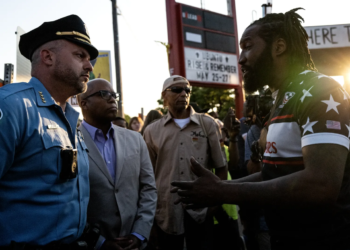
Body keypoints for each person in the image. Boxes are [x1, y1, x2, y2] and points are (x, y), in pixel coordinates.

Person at [171, 8, 350, 250]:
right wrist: (220, 187)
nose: (241, 58)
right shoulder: (282, 97)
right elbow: (273, 173)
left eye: (248, 46)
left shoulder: (322, 90)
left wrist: (226, 194)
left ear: (279, 47)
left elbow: (321, 184)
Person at [0, 15, 98, 248]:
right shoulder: (12, 106)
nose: (89, 66)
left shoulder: (72, 119)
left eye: (89, 58)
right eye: (79, 55)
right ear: (48, 57)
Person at [143, 75, 227, 250]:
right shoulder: (152, 131)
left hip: (201, 208)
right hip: (166, 211)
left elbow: (221, 167)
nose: (183, 93)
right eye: (176, 90)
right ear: (164, 96)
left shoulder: (207, 124)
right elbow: (146, 177)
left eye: (187, 90)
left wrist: (214, 205)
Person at [77, 79, 157, 250]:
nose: (112, 99)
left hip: (134, 242)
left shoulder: (135, 139)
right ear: (84, 103)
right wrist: (98, 242)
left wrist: (139, 233)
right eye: (104, 94)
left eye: (114, 95)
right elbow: (68, 201)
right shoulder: (70, 141)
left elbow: (148, 188)